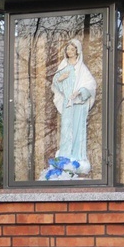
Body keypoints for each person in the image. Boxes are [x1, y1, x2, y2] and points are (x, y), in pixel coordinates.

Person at [50, 38, 97, 176]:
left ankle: (77, 157)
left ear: (77, 51)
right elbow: (56, 83)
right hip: (68, 103)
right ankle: (64, 156)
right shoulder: (64, 66)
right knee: (66, 129)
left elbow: (91, 85)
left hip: (79, 104)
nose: (69, 51)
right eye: (67, 49)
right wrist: (60, 78)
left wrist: (81, 91)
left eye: (72, 49)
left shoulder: (81, 68)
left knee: (77, 130)